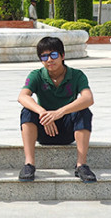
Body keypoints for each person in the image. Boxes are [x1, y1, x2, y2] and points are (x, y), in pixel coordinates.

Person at [17, 36, 96, 183]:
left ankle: (81, 165)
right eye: (44, 56)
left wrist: (59, 112)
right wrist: (43, 113)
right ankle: (29, 164)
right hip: (43, 130)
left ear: (62, 56)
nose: (49, 60)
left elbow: (88, 98)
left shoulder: (77, 75)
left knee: (84, 111)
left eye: (53, 55)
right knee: (27, 111)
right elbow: (22, 96)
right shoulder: (37, 75)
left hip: (67, 131)